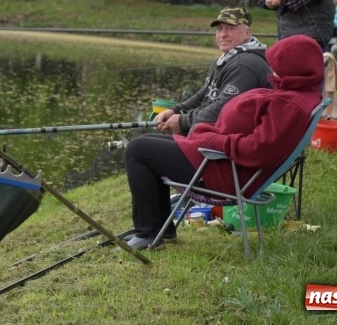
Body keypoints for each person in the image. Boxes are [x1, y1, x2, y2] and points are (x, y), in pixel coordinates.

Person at [124, 35, 324, 250]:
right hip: (219, 161)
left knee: (138, 150)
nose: (271, 71)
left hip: (223, 171)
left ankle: (147, 233)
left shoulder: (290, 105)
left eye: (276, 66)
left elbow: (260, 151)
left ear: (293, 69)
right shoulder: (298, 94)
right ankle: (162, 231)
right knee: (148, 140)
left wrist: (214, 139)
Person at [154, 7, 273, 135]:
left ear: (247, 33)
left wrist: (183, 121)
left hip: (230, 144)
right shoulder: (226, 59)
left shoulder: (244, 64)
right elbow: (204, 94)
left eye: (230, 28)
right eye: (219, 29)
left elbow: (222, 109)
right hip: (212, 135)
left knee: (139, 147)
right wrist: (176, 110)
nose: (223, 34)